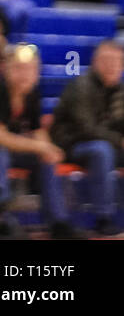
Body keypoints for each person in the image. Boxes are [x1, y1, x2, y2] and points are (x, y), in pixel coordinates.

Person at [0, 43, 78, 239]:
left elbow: (37, 131)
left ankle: (59, 224)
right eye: (18, 68)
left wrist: (49, 150)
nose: (24, 74)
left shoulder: (31, 93)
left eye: (30, 69)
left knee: (46, 160)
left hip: (6, 149)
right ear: (6, 69)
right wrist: (42, 146)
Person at [49, 40, 124, 235]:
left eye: (117, 61)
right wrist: (119, 141)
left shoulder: (119, 91)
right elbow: (86, 129)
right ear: (95, 62)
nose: (112, 66)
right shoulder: (80, 86)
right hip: (71, 146)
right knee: (101, 150)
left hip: (107, 145)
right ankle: (103, 217)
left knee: (105, 149)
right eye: (107, 60)